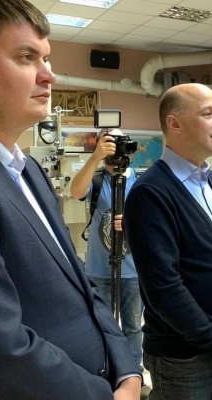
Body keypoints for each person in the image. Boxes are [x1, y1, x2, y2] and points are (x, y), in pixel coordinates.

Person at [0, 1, 142, 399]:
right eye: (26, 57)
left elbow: (81, 283)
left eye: (47, 58)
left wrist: (127, 367)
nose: (49, 74)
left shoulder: (28, 171)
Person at [123, 83, 212, 400]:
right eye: (208, 114)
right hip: (184, 360)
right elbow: (164, 288)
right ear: (174, 123)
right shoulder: (150, 193)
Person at [69, 129, 144, 373]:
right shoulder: (97, 179)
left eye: (119, 142)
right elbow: (75, 192)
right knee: (102, 324)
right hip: (99, 268)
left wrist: (134, 223)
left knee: (133, 326)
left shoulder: (141, 182)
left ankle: (132, 371)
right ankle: (106, 369)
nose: (115, 148)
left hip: (133, 271)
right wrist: (95, 157)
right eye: (110, 142)